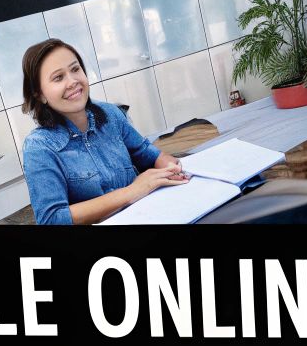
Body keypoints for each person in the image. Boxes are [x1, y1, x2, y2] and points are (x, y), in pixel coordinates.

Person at [19, 38, 188, 224]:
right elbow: (52, 219)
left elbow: (146, 153)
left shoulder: (110, 114)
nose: (73, 81)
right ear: (39, 94)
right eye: (58, 78)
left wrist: (171, 167)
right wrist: (133, 191)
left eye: (75, 69)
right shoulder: (39, 147)